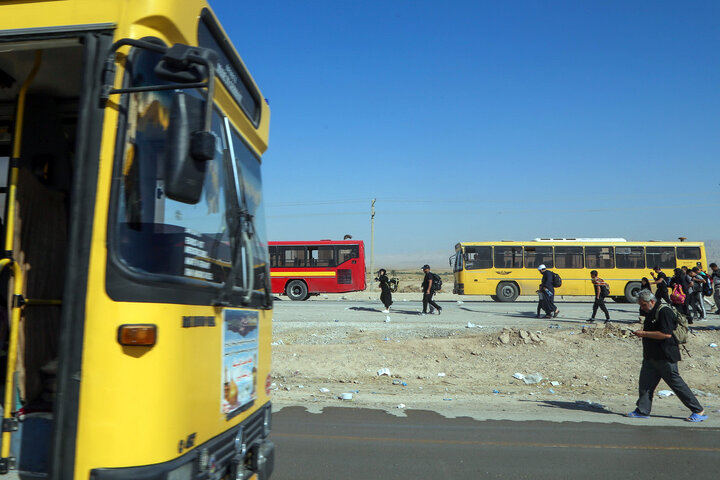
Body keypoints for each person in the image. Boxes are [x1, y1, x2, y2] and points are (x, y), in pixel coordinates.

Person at [628, 290, 707, 422]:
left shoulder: (664, 311)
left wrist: (644, 334)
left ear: (651, 302)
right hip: (651, 356)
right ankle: (642, 410)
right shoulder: (651, 312)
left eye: (643, 305)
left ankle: (698, 410)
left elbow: (666, 334)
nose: (642, 308)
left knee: (677, 385)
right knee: (645, 385)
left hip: (665, 356)